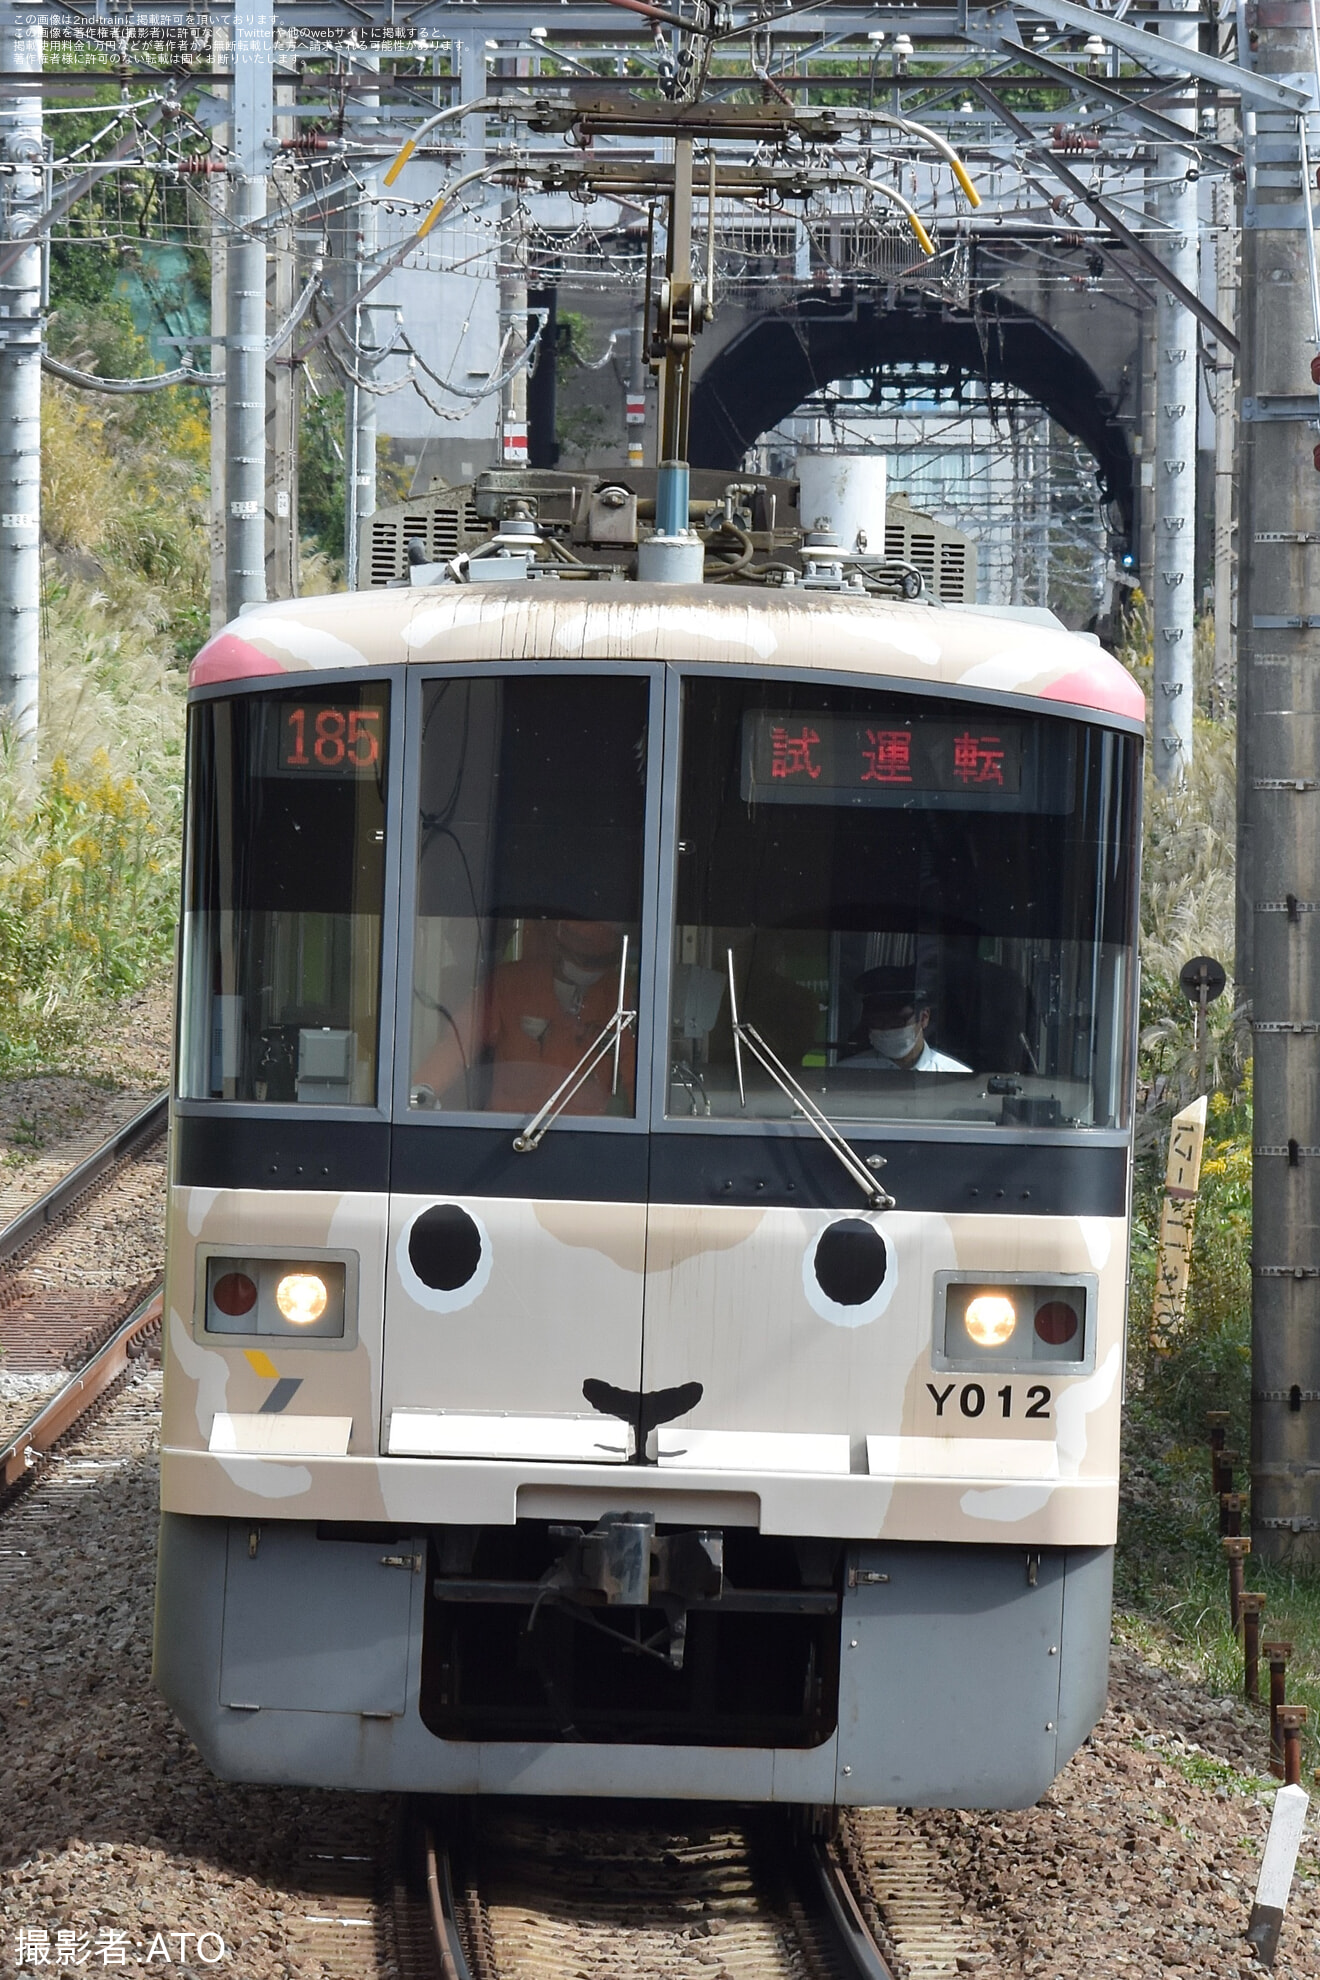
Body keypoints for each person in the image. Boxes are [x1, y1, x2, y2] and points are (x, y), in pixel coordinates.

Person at [412, 918, 636, 1115]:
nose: (588, 968)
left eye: (598, 962)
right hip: (510, 1137)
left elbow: (636, 1070)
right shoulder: (511, 984)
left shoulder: (619, 997)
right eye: (581, 957)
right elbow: (458, 1042)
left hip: (588, 1138)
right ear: (560, 948)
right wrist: (424, 1088)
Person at [842, 966, 970, 1073]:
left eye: (896, 1021)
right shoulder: (846, 1074)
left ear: (924, 1017)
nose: (886, 1030)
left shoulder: (955, 1076)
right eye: (877, 1022)